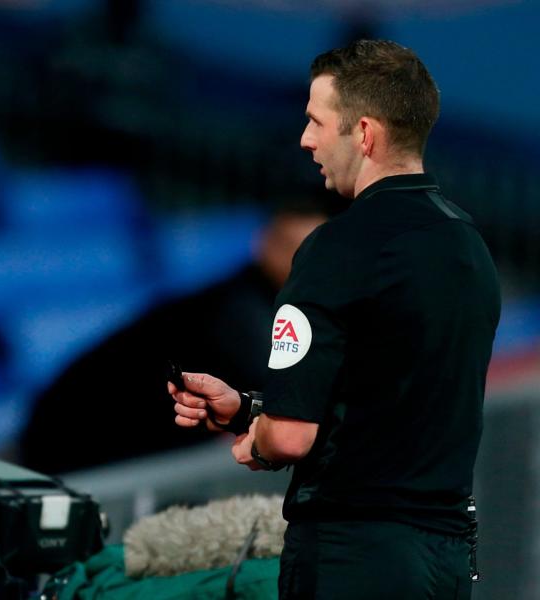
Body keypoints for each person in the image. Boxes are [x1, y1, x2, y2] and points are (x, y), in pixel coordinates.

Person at [170, 40, 500, 599]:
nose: (305, 140)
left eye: (316, 122)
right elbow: (384, 402)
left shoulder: (336, 248)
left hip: (352, 558)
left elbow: (293, 438)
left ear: (365, 135)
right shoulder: (469, 247)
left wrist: (261, 439)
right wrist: (250, 409)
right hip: (445, 562)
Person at [19, 195, 329, 474]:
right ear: (263, 243)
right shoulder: (240, 316)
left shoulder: (286, 305)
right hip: (90, 449)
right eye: (291, 249)